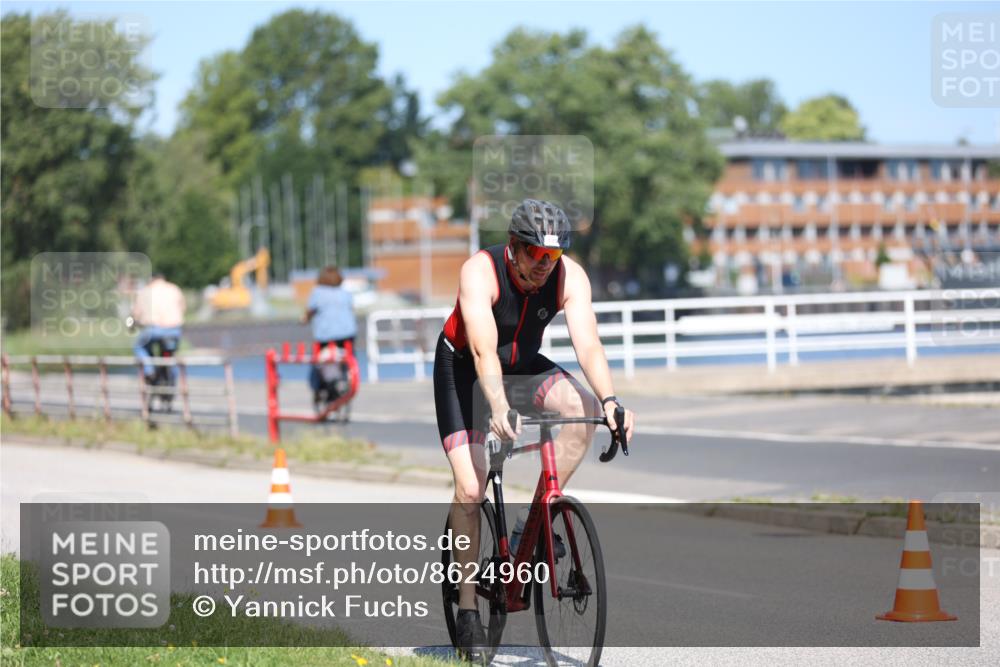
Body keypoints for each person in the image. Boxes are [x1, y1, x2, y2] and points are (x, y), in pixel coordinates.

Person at [434, 199, 636, 661]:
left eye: (555, 257)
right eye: (536, 256)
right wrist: (499, 407)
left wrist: (610, 401)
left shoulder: (571, 277)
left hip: (521, 366)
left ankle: (535, 522)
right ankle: (467, 609)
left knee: (580, 406)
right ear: (513, 247)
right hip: (465, 368)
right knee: (470, 485)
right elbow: (485, 354)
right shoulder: (480, 272)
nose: (545, 267)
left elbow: (589, 344)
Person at [303, 266, 357, 398]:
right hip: (347, 335)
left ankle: (318, 388)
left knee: (319, 361)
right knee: (348, 358)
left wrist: (305, 319)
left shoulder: (317, 292)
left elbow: (310, 312)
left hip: (326, 336)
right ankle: (347, 378)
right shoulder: (345, 293)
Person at [131, 273, 186, 380]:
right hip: (174, 329)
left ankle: (149, 371)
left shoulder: (145, 291)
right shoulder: (174, 288)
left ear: (152, 280)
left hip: (154, 329)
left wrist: (135, 321)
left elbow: (136, 312)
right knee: (172, 353)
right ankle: (173, 379)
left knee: (139, 345)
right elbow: (183, 307)